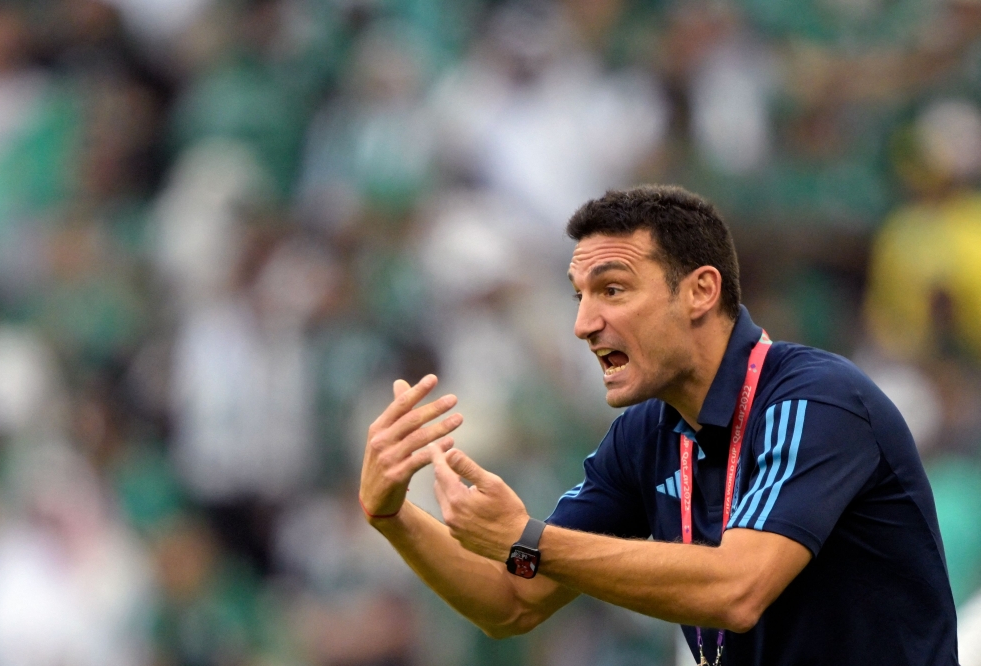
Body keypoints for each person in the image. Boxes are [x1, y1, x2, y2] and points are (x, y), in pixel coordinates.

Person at [358, 185, 959, 665]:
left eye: (613, 290)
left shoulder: (816, 402)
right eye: (579, 296)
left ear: (700, 291)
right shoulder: (646, 435)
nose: (584, 324)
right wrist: (394, 516)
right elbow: (514, 600)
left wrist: (528, 540)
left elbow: (738, 589)